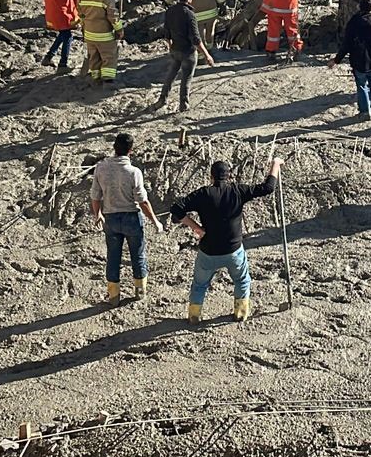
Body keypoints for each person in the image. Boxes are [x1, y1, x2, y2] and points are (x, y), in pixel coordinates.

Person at [169, 157, 280, 324]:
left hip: (208, 251)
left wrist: (196, 227)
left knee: (199, 284)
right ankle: (240, 313)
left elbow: (176, 210)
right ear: (229, 176)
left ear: (211, 177)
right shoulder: (237, 191)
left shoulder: (203, 193)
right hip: (233, 250)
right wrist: (276, 165)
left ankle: (194, 315)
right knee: (242, 280)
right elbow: (268, 188)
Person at [90, 132, 164, 302]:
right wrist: (155, 221)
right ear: (130, 150)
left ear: (114, 147)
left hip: (111, 219)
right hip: (132, 218)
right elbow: (142, 201)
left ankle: (114, 295)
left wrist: (98, 214)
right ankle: (140, 292)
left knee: (113, 256)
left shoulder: (101, 168)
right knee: (137, 255)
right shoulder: (134, 172)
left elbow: (95, 195)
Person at [154, 0, 216, 111]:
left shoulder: (170, 11)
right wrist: (207, 55)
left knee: (171, 75)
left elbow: (166, 33)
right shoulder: (190, 14)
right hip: (188, 52)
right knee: (186, 77)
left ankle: (162, 99)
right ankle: (184, 103)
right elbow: (196, 39)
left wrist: (171, 47)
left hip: (175, 49)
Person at [333, 0, 371, 121]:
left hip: (359, 61)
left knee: (362, 86)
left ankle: (365, 112)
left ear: (359, 7)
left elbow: (346, 44)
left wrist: (336, 60)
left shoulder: (353, 23)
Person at [79, 0, 122, 85]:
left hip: (89, 34)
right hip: (105, 36)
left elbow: (81, 15)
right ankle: (107, 78)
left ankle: (95, 75)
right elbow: (113, 17)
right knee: (109, 55)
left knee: (93, 56)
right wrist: (119, 29)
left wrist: (83, 28)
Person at [41, 0, 84, 73]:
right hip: (63, 14)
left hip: (52, 13)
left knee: (63, 34)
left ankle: (49, 57)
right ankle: (62, 65)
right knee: (68, 36)